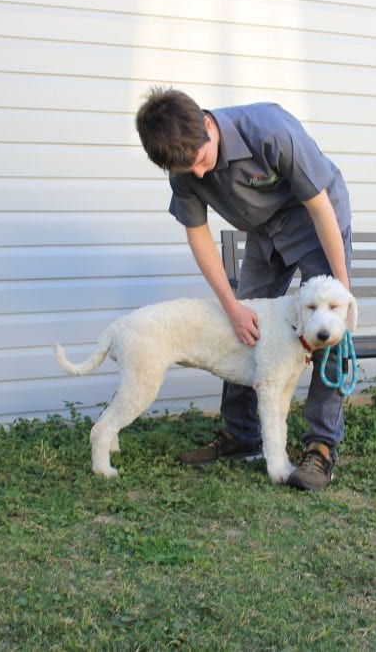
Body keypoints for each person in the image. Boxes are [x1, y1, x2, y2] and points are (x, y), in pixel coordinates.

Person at [135, 87, 352, 490]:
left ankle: (320, 447)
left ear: (206, 123)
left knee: (328, 331)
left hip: (314, 218)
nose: (199, 174)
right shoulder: (184, 167)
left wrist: (342, 290)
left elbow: (321, 207)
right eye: (187, 170)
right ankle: (241, 433)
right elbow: (199, 237)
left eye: (201, 160)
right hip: (265, 231)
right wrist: (231, 304)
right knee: (242, 328)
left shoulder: (270, 132)